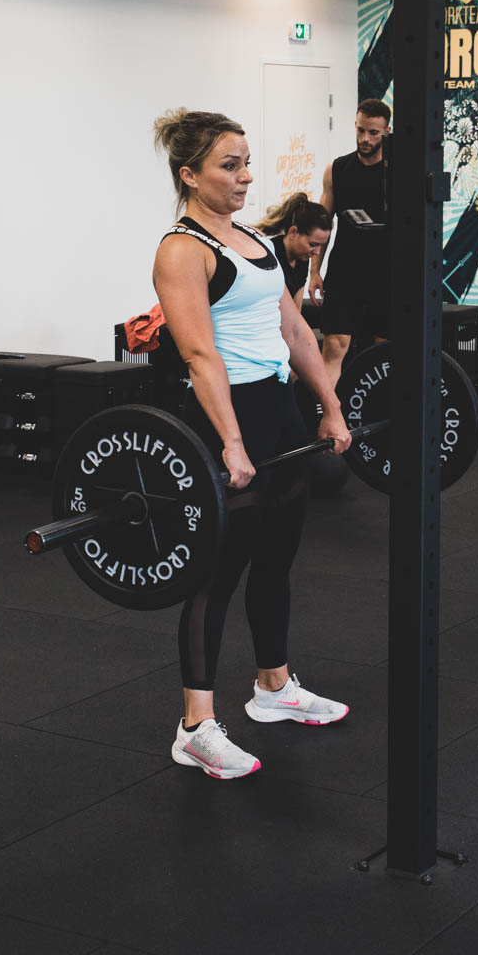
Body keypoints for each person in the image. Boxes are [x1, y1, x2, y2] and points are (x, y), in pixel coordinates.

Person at [152, 108, 353, 779]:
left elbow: (294, 330)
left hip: (278, 412)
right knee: (218, 571)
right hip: (226, 415)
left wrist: (329, 406)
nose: (244, 177)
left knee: (277, 555)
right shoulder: (183, 250)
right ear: (190, 174)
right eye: (228, 166)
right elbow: (199, 355)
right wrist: (232, 446)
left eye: (245, 163)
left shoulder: (257, 241)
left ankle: (273, 688)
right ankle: (195, 725)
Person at [315, 98, 392, 388]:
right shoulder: (336, 170)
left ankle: (376, 413)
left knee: (380, 352)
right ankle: (325, 414)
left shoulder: (396, 174)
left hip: (385, 273)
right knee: (334, 347)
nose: (365, 139)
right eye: (360, 131)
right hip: (345, 271)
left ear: (387, 131)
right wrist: (314, 271)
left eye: (373, 133)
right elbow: (324, 225)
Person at [255, 191, 333, 302]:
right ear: (293, 232)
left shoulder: (301, 259)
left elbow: (296, 309)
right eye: (313, 244)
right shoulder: (270, 256)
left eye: (321, 246)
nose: (317, 252)